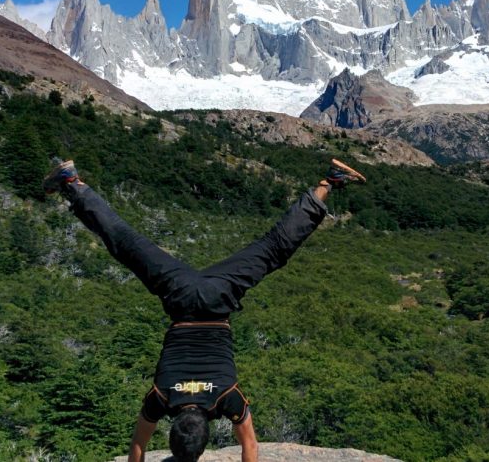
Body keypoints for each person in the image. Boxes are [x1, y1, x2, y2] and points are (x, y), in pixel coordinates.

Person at [42, 157, 367, 462]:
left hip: (219, 297)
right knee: (125, 241)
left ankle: (329, 183)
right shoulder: (161, 397)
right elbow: (138, 446)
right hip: (179, 295)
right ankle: (72, 183)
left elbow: (250, 446)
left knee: (274, 248)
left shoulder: (227, 398)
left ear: (208, 434)